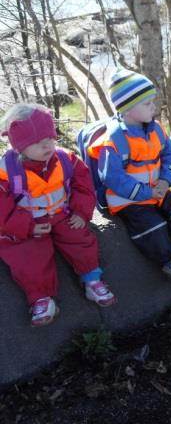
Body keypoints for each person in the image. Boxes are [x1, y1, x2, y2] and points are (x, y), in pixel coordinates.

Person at [0, 104, 116, 326]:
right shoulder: (6, 171)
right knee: (26, 253)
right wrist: (27, 227)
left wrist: (82, 212)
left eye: (50, 139)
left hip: (63, 214)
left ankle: (92, 280)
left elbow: (84, 186)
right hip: (28, 223)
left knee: (80, 237)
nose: (47, 146)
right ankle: (41, 297)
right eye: (37, 142)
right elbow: (2, 209)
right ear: (20, 146)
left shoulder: (65, 160)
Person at [88, 68, 171, 281]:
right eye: (147, 103)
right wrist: (146, 192)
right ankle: (168, 263)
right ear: (129, 109)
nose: (154, 107)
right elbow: (112, 178)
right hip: (129, 200)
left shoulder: (156, 128)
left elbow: (170, 155)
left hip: (157, 191)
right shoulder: (113, 141)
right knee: (154, 229)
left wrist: (165, 181)